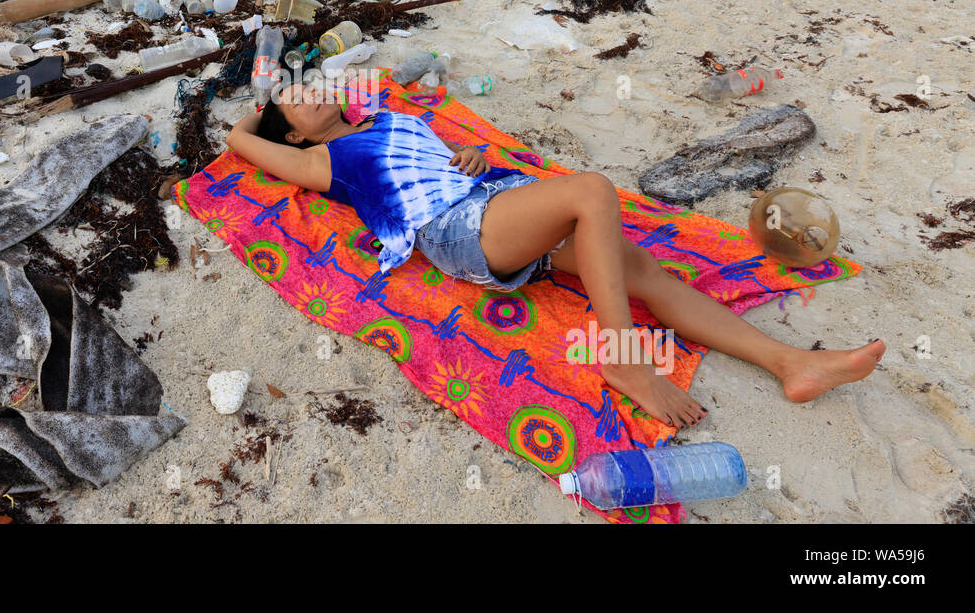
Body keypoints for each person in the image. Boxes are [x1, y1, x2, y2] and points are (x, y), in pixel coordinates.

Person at [226, 85, 885, 429]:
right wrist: (256, 110)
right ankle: (625, 363)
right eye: (295, 101)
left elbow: (441, 166)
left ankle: (791, 363)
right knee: (593, 191)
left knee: (642, 270)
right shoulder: (321, 160)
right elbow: (240, 140)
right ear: (292, 130)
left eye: (312, 84)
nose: (311, 92)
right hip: (458, 232)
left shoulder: (393, 121)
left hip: (496, 202)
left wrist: (472, 157)